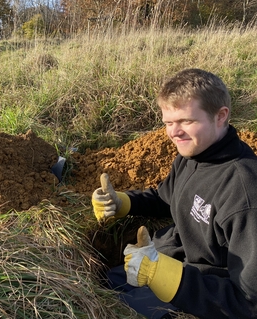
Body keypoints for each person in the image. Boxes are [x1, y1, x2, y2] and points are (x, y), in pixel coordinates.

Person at [92, 68, 257, 319]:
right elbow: (166, 197)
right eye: (168, 123)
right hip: (169, 258)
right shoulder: (192, 155)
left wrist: (169, 279)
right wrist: (123, 203)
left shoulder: (244, 193)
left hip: (204, 293)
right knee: (100, 287)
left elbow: (248, 302)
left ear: (221, 116)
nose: (173, 132)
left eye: (186, 121)